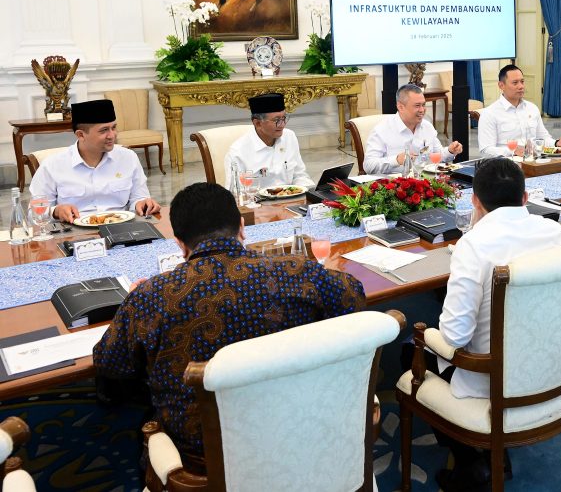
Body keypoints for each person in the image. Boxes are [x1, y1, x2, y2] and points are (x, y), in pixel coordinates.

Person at [93, 182, 366, 468]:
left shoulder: (152, 296)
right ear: (242, 228)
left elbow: (110, 363)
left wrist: (133, 308)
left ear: (180, 243)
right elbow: (354, 298)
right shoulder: (300, 273)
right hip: (298, 425)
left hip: (203, 452)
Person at [428, 158, 561, 488]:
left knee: (412, 349)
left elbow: (454, 336)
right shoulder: (555, 232)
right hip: (550, 363)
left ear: (474, 200)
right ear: (525, 197)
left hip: (492, 377)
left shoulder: (473, 244)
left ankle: (471, 463)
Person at [29, 99, 160, 223]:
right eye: (104, 130)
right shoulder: (52, 165)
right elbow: (33, 214)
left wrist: (143, 203)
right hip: (73, 233)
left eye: (114, 127)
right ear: (80, 135)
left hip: (121, 228)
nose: (112, 135)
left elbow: (139, 198)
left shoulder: (128, 158)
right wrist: (55, 211)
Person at [363, 83, 463, 174]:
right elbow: (369, 166)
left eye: (423, 105)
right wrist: (396, 160)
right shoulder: (382, 130)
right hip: (394, 184)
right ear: (400, 107)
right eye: (417, 106)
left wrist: (450, 151)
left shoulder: (427, 126)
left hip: (426, 181)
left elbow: (437, 156)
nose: (422, 110)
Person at [478, 65, 561, 157]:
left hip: (534, 162)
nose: (521, 86)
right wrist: (512, 151)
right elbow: (485, 150)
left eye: (522, 82)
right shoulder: (490, 113)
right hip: (506, 164)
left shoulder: (532, 108)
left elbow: (543, 138)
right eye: (515, 83)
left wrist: (556, 143)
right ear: (501, 85)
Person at [224, 93, 314, 189]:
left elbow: (300, 175)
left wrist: (311, 191)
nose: (282, 125)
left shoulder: (289, 136)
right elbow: (235, 192)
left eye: (284, 118)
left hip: (291, 196)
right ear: (258, 123)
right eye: (276, 120)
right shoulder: (237, 152)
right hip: (257, 198)